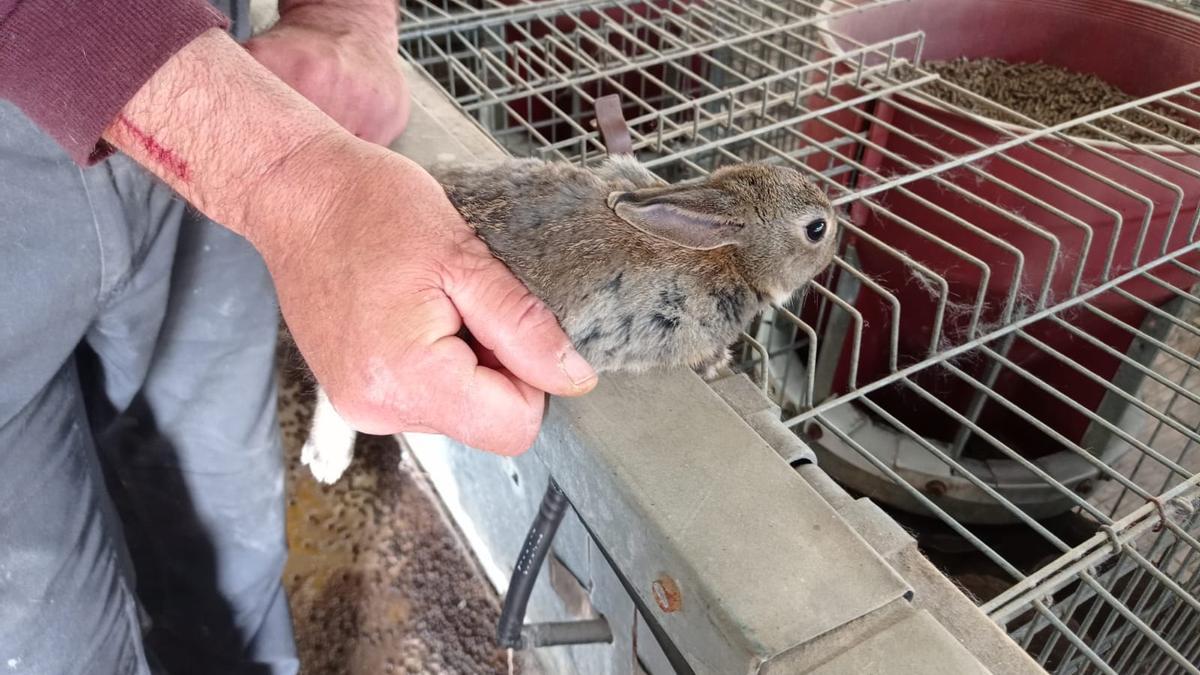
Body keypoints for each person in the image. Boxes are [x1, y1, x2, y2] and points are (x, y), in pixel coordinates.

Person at [0, 1, 599, 673]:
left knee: (230, 525)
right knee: (46, 634)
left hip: (214, 73)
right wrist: (288, 176)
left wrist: (344, 17)